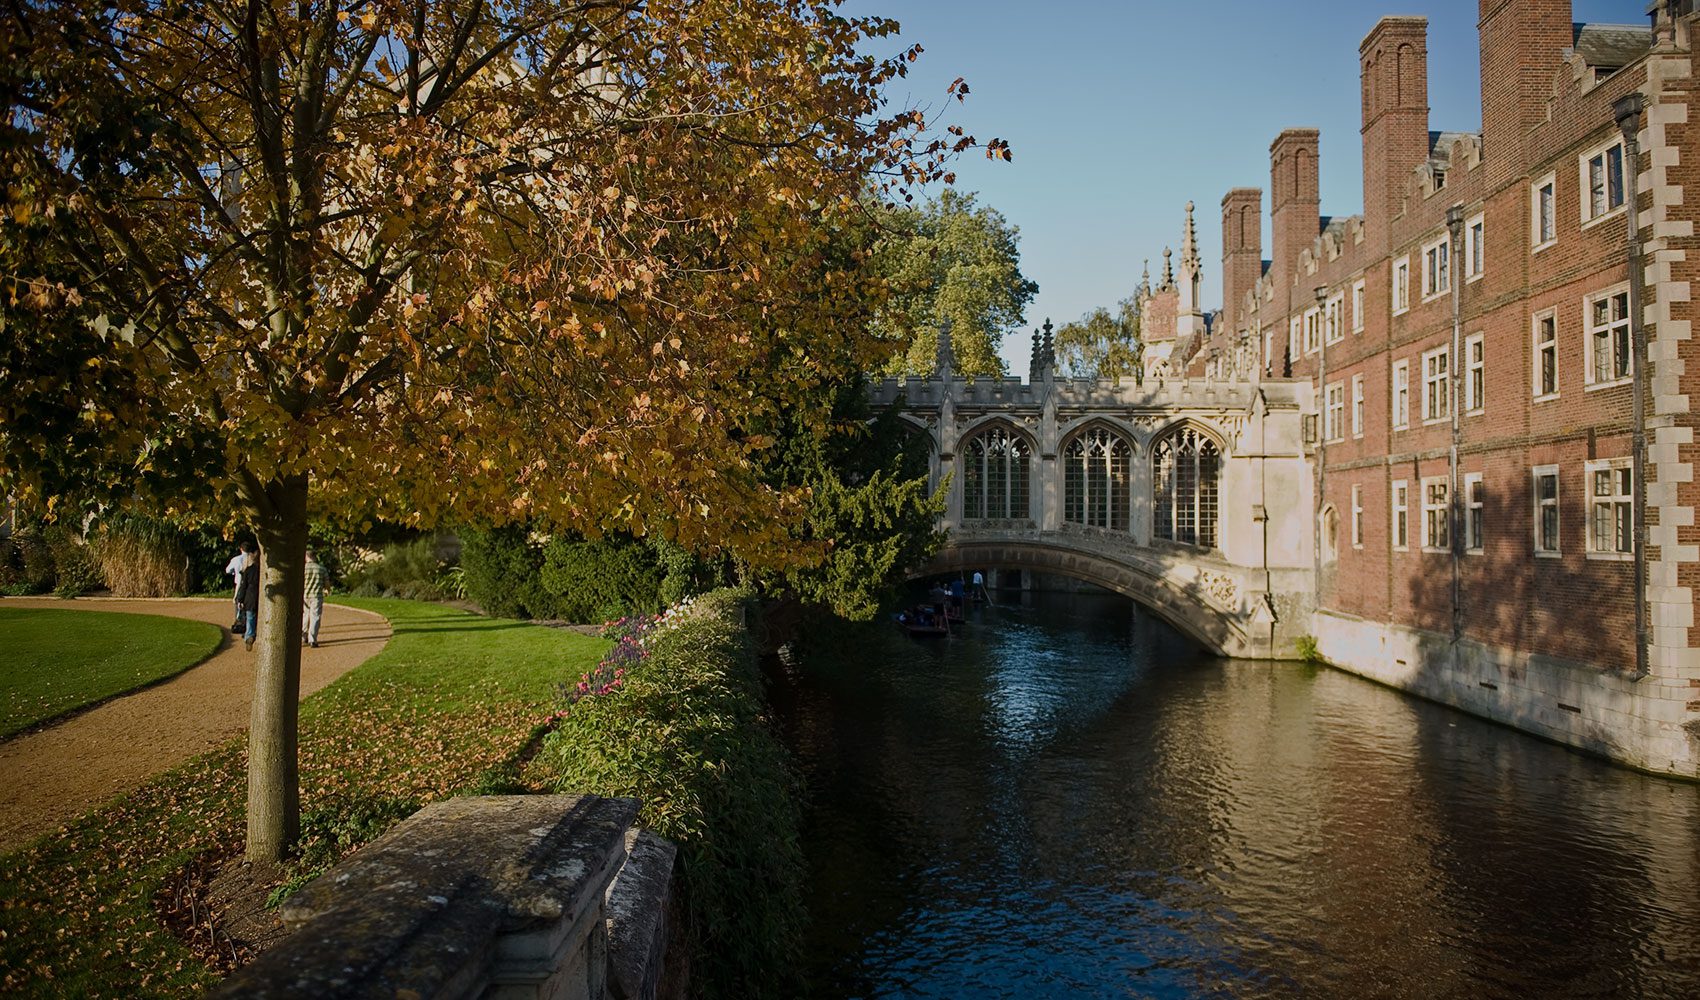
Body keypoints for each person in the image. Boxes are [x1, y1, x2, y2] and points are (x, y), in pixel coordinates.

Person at [302, 547, 327, 648]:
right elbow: (327, 583)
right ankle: (313, 639)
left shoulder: (303, 568)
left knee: (305, 615)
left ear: (307, 556)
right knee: (315, 616)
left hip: (305, 595)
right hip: (317, 595)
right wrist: (327, 589)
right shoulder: (321, 569)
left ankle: (303, 636)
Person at [237, 542, 260, 651]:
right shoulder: (262, 571)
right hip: (259, 596)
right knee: (258, 617)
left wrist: (240, 599)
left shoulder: (248, 571)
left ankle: (249, 635)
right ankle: (254, 634)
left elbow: (243, 586)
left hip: (249, 596)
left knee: (250, 617)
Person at [225, 544, 251, 630]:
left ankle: (240, 623)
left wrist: (234, 572)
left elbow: (228, 570)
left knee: (239, 603)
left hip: (240, 584)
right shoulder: (253, 558)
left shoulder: (236, 559)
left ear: (241, 549)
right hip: (251, 585)